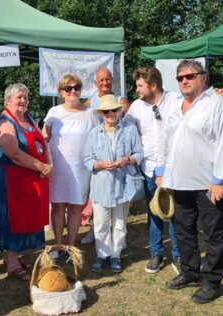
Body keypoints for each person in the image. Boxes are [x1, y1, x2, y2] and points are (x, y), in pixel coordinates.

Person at [160, 59, 223, 304]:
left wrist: (219, 181)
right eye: (180, 78)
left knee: (215, 234)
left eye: (189, 76)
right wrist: (163, 171)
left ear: (204, 77)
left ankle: (212, 281)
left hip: (208, 183)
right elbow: (166, 139)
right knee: (183, 232)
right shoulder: (174, 105)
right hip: (180, 181)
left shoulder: (218, 105)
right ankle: (190, 272)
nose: (184, 81)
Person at [123, 67, 181, 275]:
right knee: (154, 211)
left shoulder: (175, 101)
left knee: (175, 212)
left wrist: (217, 94)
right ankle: (156, 253)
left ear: (153, 85)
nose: (136, 89)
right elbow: (123, 131)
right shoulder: (137, 107)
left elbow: (199, 108)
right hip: (148, 169)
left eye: (140, 85)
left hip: (174, 169)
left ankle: (178, 255)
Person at [0, 83, 53, 281]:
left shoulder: (28, 118)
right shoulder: (5, 122)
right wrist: (41, 167)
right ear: (8, 100)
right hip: (11, 180)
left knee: (25, 218)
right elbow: (13, 154)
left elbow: (43, 142)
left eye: (25, 97)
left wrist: (48, 164)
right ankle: (11, 264)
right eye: (19, 97)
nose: (23, 100)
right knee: (12, 218)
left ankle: (15, 257)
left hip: (30, 176)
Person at [83, 95, 143, 273]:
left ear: (119, 111)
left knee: (119, 223)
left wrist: (127, 159)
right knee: (100, 223)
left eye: (113, 110)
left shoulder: (130, 129)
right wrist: (100, 164)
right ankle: (102, 255)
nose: (110, 113)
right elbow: (87, 159)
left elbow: (139, 154)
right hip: (100, 186)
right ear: (101, 113)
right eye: (106, 111)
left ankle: (116, 255)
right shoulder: (94, 133)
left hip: (122, 185)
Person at [43, 74, 99, 254]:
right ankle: (59, 245)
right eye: (68, 88)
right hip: (58, 167)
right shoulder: (54, 112)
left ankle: (72, 246)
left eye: (77, 87)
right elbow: (44, 138)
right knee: (58, 206)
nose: (73, 91)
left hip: (80, 168)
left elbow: (96, 140)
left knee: (76, 207)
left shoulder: (90, 113)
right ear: (61, 92)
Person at [81, 67, 131, 245]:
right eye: (101, 80)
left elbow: (131, 125)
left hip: (117, 156)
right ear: (95, 83)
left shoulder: (121, 101)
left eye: (108, 79)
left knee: (117, 201)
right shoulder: (89, 102)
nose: (105, 83)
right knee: (97, 197)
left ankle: (118, 240)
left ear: (113, 81)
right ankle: (95, 232)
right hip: (97, 153)